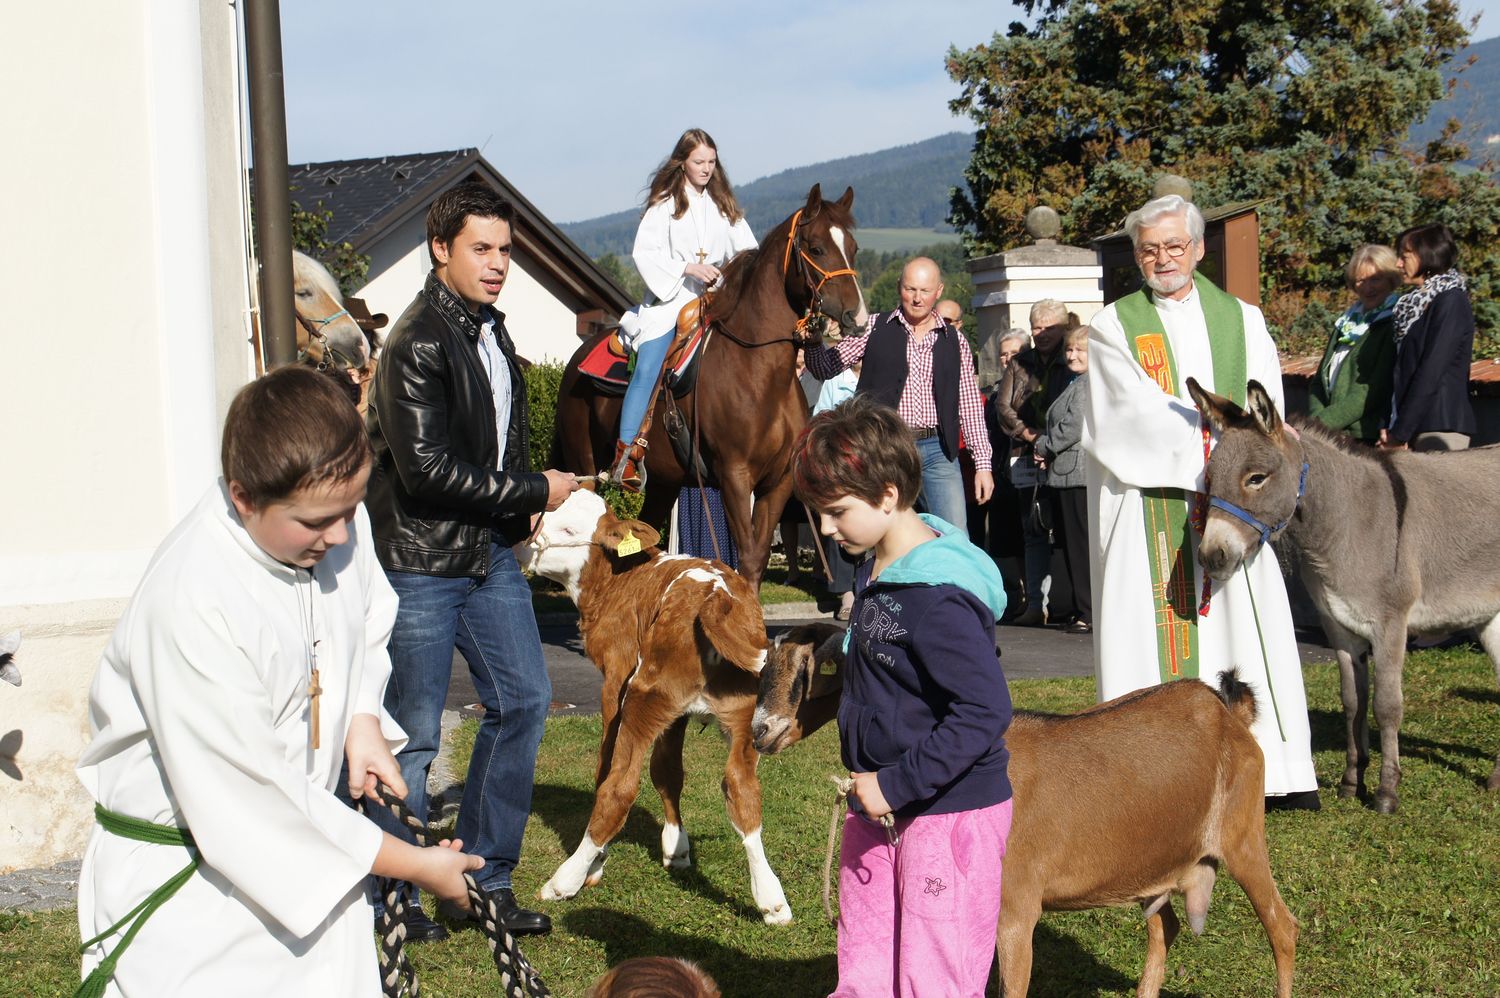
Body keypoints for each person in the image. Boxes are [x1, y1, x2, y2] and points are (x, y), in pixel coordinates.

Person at [76, 366, 482, 995]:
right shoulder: (192, 602)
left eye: (351, 510)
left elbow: (366, 613)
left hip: (313, 862)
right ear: (244, 497)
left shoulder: (331, 518)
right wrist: (418, 866)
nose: (341, 535)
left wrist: (361, 719)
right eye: (317, 522)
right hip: (196, 900)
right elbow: (251, 798)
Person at [364, 182, 578, 938]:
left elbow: (495, 447)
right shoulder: (418, 339)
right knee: (411, 736)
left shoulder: (492, 334)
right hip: (419, 559)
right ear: (440, 249)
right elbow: (425, 471)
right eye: (481, 249)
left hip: (487, 552)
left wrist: (518, 516)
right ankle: (395, 897)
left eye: (505, 250)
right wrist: (535, 489)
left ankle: (485, 880)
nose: (497, 264)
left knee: (523, 700)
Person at [1083, 193, 1318, 808]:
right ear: (1137, 256)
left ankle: (1272, 771)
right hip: (1150, 506)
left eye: (1174, 246)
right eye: (1149, 250)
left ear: (1198, 249)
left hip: (1231, 507)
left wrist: (1236, 461)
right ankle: (1153, 774)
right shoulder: (1114, 326)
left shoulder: (1243, 320)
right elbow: (1126, 414)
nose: (1163, 259)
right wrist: (1221, 447)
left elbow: (1268, 413)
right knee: (1153, 628)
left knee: (1243, 623)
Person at [792, 394, 1013, 997]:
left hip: (947, 813)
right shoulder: (878, 568)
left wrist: (895, 785)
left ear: (888, 495)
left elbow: (985, 711)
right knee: (866, 962)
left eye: (837, 512)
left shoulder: (939, 597)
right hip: (879, 803)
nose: (828, 529)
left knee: (934, 976)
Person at [612, 128, 758, 490]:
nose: (706, 168)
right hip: (671, 301)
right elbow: (644, 253)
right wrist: (688, 268)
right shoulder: (664, 205)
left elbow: (749, 253)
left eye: (712, 162)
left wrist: (728, 276)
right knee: (649, 364)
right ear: (682, 163)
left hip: (716, 300)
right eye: (699, 161)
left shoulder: (724, 207)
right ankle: (625, 455)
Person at [804, 258, 995, 531]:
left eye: (925, 291)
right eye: (910, 289)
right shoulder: (873, 328)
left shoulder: (955, 340)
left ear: (938, 291)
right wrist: (812, 342)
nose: (917, 298)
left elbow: (970, 406)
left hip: (938, 450)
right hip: (885, 447)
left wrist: (983, 465)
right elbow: (825, 367)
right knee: (883, 533)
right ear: (899, 287)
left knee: (954, 534)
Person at [995, 300, 1077, 626]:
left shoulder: (1072, 359)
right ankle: (1034, 605)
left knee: (1068, 530)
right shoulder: (1019, 363)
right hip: (1026, 453)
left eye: (1049, 328)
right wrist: (1030, 435)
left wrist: (1052, 439)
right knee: (1033, 530)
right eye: (1036, 328)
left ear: (1064, 328)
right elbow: (1003, 407)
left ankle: (1070, 604)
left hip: (1065, 454)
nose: (1042, 334)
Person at [1379, 223, 1477, 452]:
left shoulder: (1451, 301)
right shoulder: (1413, 306)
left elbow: (1432, 370)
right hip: (1407, 427)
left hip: (1439, 427)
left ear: (1427, 256)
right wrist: (1389, 425)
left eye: (1404, 256)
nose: (1398, 264)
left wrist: (1399, 434)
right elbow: (1399, 372)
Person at [1307, 244, 1400, 443]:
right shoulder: (1346, 322)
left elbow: (1373, 388)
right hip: (1329, 433)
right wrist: (1316, 418)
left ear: (1391, 279)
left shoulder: (1392, 321)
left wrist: (1323, 422)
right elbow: (1319, 380)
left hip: (1363, 435)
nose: (1367, 287)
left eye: (1375, 279)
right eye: (1360, 280)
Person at [1034, 325, 1092, 635]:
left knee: (1079, 547)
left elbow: (1073, 427)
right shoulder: (1077, 382)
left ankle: (1087, 611)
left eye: (1080, 350)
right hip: (1067, 473)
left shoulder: (1087, 383)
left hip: (1076, 475)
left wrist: (1043, 445)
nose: (1072, 355)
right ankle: (1081, 608)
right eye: (1069, 349)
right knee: (1072, 545)